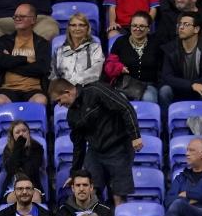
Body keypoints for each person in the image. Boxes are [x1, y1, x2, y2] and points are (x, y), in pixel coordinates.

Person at [51, 79, 143, 207]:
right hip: (95, 152)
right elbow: (79, 146)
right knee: (90, 193)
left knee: (118, 195)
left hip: (119, 147)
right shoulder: (71, 116)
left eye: (59, 100)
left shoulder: (96, 90)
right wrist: (74, 173)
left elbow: (125, 107)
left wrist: (135, 136)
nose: (59, 105)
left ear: (67, 92)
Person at [0, 3, 50, 108]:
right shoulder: (4, 41)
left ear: (33, 20)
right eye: (15, 16)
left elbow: (41, 68)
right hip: (8, 89)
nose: (17, 19)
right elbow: (1, 61)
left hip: (33, 89)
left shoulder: (42, 43)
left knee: (41, 101)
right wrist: (26, 59)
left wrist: (11, 63)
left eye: (22, 16)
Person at [160, 11, 202, 108]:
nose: (181, 27)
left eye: (186, 24)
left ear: (196, 29)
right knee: (165, 91)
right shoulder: (171, 48)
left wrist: (195, 86)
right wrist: (191, 85)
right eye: (180, 24)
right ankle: (166, 122)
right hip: (179, 89)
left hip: (200, 89)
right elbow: (167, 77)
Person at [108, 11, 161, 103]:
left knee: (148, 98)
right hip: (124, 85)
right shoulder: (120, 42)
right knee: (119, 100)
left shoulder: (156, 43)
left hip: (148, 85)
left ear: (148, 28)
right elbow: (110, 64)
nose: (137, 29)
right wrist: (119, 68)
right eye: (134, 25)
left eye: (142, 26)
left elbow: (161, 68)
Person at [49, 12, 104, 86]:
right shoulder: (59, 50)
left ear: (87, 27)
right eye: (73, 25)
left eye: (81, 25)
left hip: (86, 88)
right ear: (69, 28)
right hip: (63, 91)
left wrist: (72, 83)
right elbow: (54, 75)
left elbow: (95, 73)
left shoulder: (95, 48)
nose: (77, 28)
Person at [0, 121, 45, 203]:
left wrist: (25, 150)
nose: (21, 134)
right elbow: (11, 169)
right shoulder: (8, 149)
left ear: (28, 132)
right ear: (13, 136)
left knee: (35, 198)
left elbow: (30, 171)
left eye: (24, 131)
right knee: (13, 199)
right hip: (12, 187)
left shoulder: (37, 148)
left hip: (32, 185)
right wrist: (19, 148)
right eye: (17, 132)